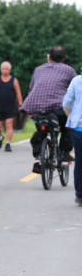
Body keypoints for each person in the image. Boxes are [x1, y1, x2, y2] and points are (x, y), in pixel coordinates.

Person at [20, 45, 76, 173]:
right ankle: (65, 153)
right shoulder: (69, 70)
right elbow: (75, 90)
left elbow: (31, 89)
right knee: (68, 125)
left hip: (36, 107)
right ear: (64, 58)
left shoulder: (38, 69)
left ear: (49, 57)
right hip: (58, 107)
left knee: (42, 128)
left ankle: (38, 157)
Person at [0, 61, 23, 152]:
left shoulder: (14, 80)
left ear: (9, 70)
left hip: (10, 107)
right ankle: (0, 137)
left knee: (9, 124)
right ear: (1, 70)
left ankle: (8, 143)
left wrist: (20, 104)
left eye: (7, 69)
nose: (5, 70)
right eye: (3, 69)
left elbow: (18, 93)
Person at [63, 74, 82, 206]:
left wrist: (71, 116)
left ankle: (80, 194)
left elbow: (66, 103)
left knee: (80, 162)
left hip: (78, 128)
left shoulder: (76, 80)